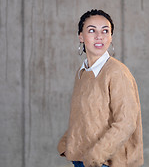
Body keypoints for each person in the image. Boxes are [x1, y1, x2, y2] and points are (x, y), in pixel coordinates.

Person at [57, 9, 143, 167]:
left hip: (105, 162)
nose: (99, 36)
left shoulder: (117, 72)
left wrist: (96, 156)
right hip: (82, 159)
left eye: (105, 31)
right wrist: (67, 144)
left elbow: (126, 123)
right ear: (81, 36)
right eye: (91, 30)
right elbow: (84, 117)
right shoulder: (83, 71)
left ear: (111, 37)